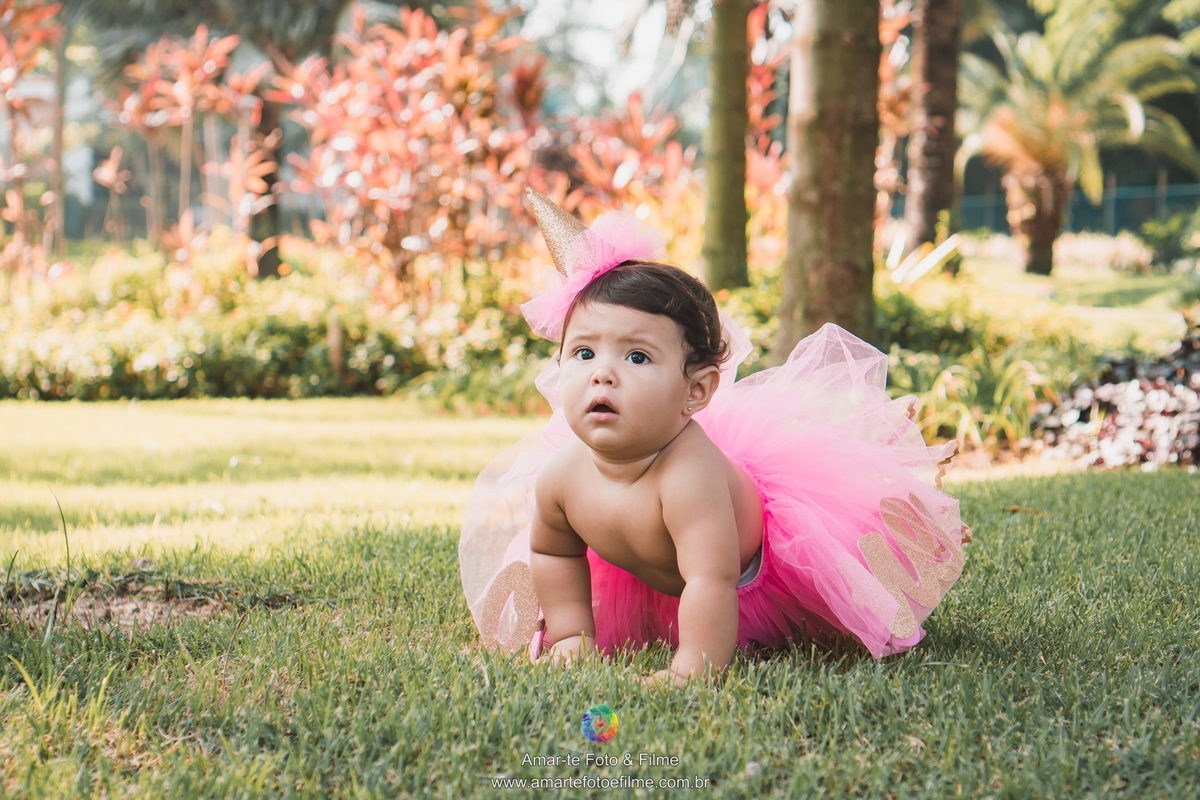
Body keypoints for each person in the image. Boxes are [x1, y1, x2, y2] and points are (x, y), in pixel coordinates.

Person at [459, 190, 969, 686]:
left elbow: (709, 580)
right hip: (668, 574)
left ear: (696, 390)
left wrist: (695, 665)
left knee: (836, 620)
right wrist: (571, 633)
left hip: (757, 567)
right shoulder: (560, 477)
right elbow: (554, 553)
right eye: (584, 353)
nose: (602, 374)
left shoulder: (688, 475)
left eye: (636, 357)